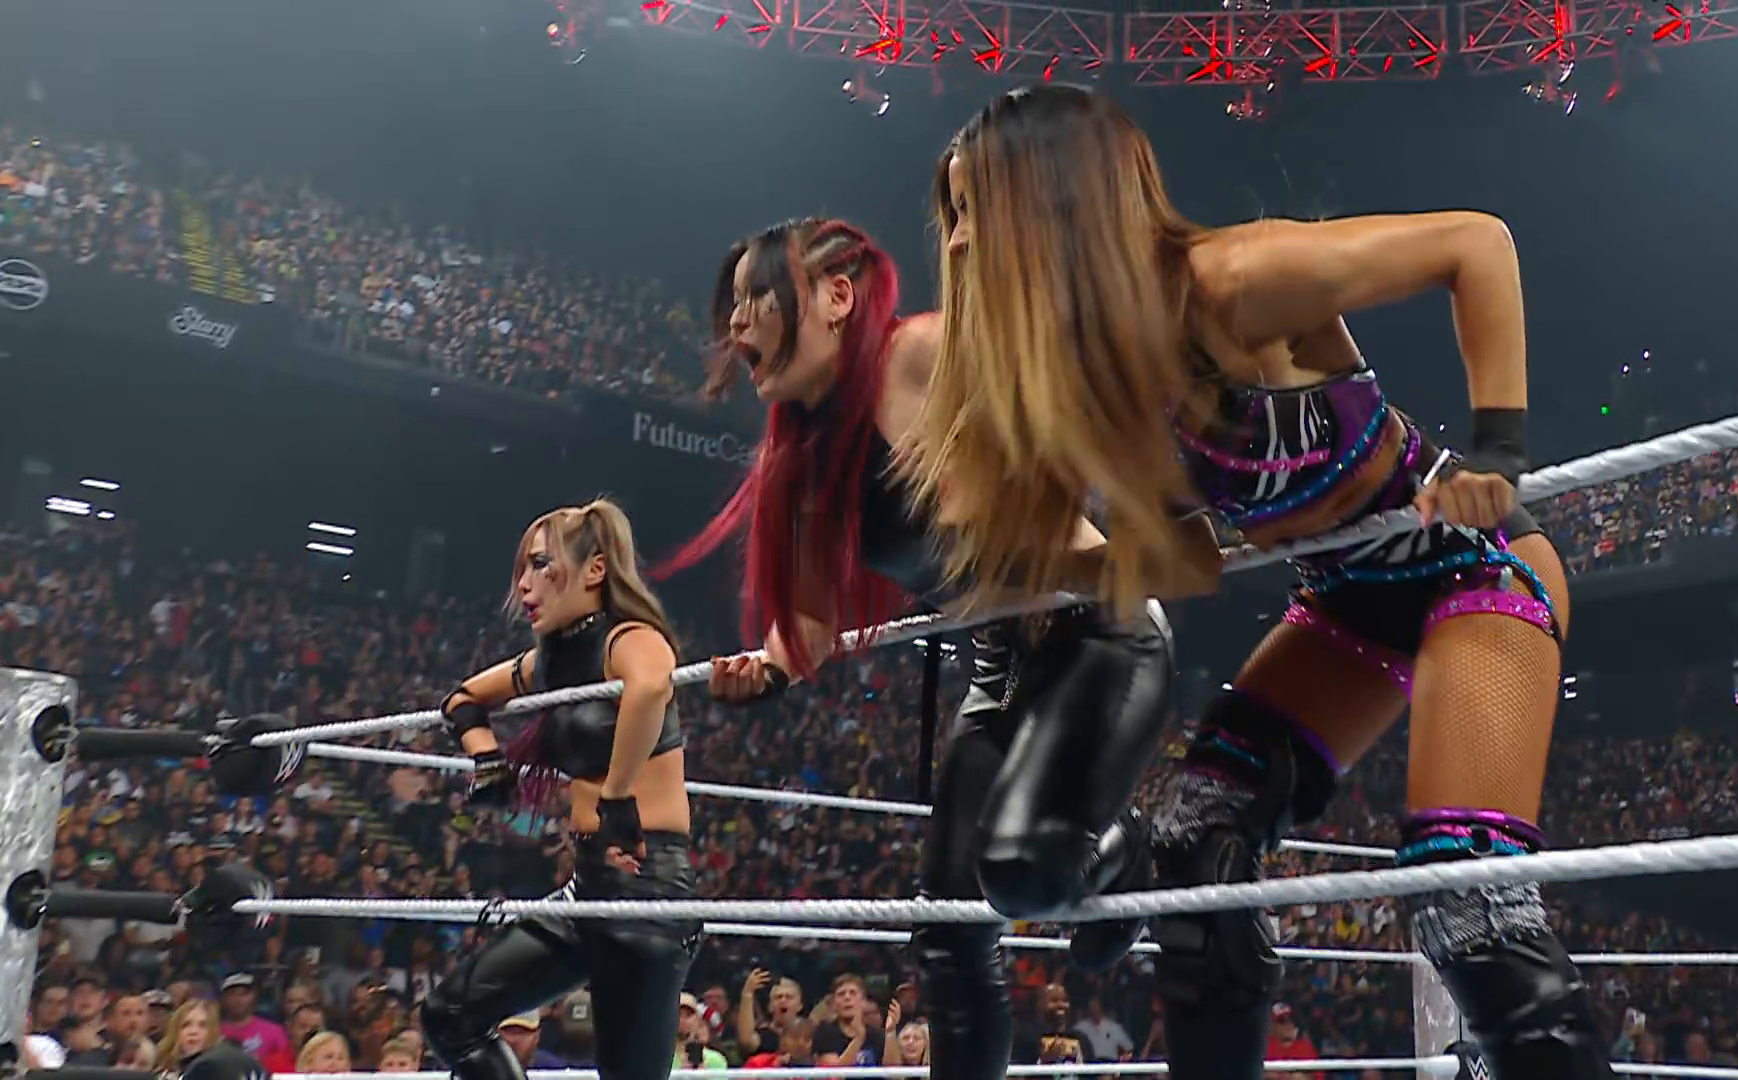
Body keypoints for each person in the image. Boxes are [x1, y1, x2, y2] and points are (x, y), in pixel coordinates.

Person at [904, 83, 1596, 1080]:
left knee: (1464, 895)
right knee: (1196, 845)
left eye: (976, 208)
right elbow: (1185, 562)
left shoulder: (1227, 281)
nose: (962, 241)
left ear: (1054, 197)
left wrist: (1498, 452)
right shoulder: (1099, 381)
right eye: (956, 216)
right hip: (1344, 603)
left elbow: (1474, 245)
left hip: (1472, 566)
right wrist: (1025, 567)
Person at [657, 217, 1176, 1080]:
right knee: (947, 930)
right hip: (999, 666)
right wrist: (770, 667)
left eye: (756, 296)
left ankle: (1125, 849)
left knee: (1022, 874)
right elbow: (810, 620)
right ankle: (1095, 864)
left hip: (1101, 635)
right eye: (732, 306)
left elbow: (1049, 369)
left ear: (835, 297)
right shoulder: (806, 462)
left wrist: (989, 263)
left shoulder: (919, 356)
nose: (737, 322)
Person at [420, 499, 702, 1080]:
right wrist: (487, 760)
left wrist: (616, 797)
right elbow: (462, 700)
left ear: (595, 570)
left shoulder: (629, 638)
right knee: (449, 1015)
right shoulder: (547, 664)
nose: (524, 585)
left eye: (540, 565)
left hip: (647, 890)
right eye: (522, 568)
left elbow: (650, 688)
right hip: (585, 888)